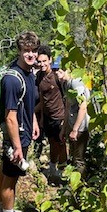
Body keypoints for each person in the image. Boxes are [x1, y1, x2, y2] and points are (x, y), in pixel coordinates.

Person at [0, 31, 41, 212]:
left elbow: (27, 103)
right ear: (19, 51)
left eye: (33, 51)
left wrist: (34, 122)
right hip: (17, 135)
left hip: (23, 131)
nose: (30, 54)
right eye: (26, 50)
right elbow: (10, 117)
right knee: (11, 176)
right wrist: (17, 146)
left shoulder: (28, 73)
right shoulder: (13, 79)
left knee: (5, 169)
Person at [36, 46, 67, 183]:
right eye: (39, 61)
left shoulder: (56, 75)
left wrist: (66, 117)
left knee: (61, 143)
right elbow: (42, 98)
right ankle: (53, 168)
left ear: (50, 60)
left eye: (44, 61)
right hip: (48, 116)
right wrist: (42, 117)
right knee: (52, 143)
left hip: (59, 116)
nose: (42, 64)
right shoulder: (39, 76)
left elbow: (67, 95)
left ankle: (63, 172)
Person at [58, 68, 90, 177]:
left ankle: (81, 184)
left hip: (80, 126)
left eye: (60, 70)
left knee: (79, 160)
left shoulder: (76, 83)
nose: (57, 73)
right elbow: (68, 106)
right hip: (72, 124)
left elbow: (83, 107)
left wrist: (75, 130)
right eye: (55, 70)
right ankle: (73, 182)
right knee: (72, 157)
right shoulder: (65, 83)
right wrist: (64, 128)